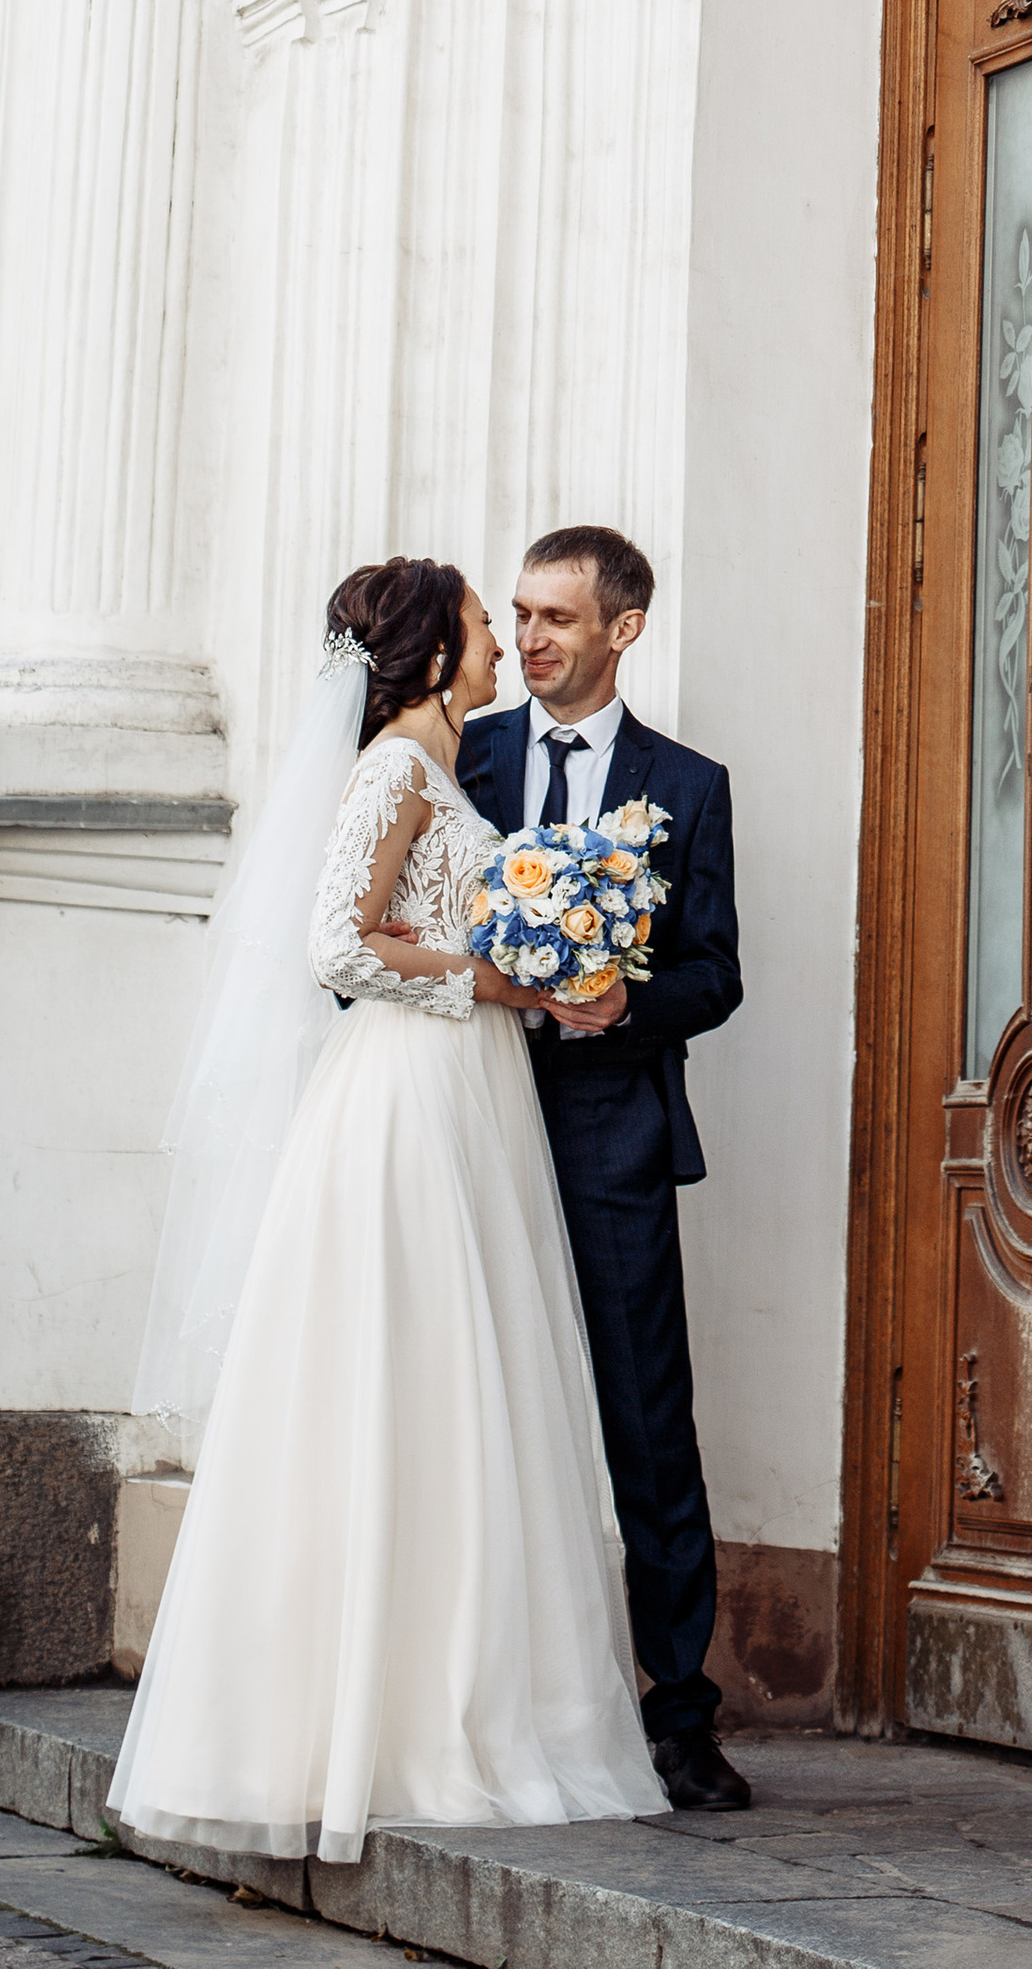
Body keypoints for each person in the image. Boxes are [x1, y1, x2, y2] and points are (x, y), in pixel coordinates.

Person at [107, 557, 667, 1863]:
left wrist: (555, 977)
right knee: (406, 1382)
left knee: (461, 1391)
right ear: (428, 652)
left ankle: (441, 1698)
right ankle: (368, 1723)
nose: (496, 648)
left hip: (468, 1091)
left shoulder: (439, 774)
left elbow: (436, 941)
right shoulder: (395, 774)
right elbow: (338, 945)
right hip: (408, 1098)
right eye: (481, 626)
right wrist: (492, 982)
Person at [447, 527, 748, 1815]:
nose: (529, 639)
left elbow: (717, 976)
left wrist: (626, 1001)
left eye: (557, 617)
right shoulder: (461, 760)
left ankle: (679, 1716)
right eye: (518, 615)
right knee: (474, 1406)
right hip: (467, 1114)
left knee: (646, 1424)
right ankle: (488, 1702)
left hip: (612, 1134)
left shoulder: (688, 786)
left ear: (623, 629)